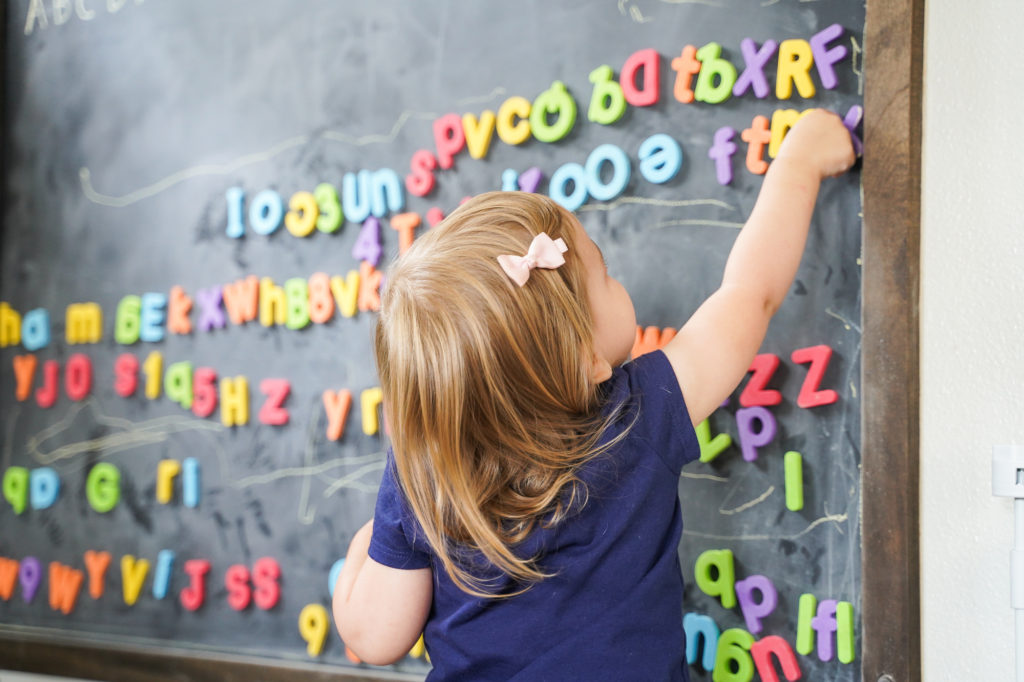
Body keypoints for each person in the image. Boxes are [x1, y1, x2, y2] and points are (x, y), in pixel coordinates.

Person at [332, 109, 856, 680]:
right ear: (585, 358)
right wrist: (798, 164)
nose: (616, 277)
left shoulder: (420, 474)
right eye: (603, 271)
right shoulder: (642, 416)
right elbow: (749, 294)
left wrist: (371, 543)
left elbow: (377, 636)